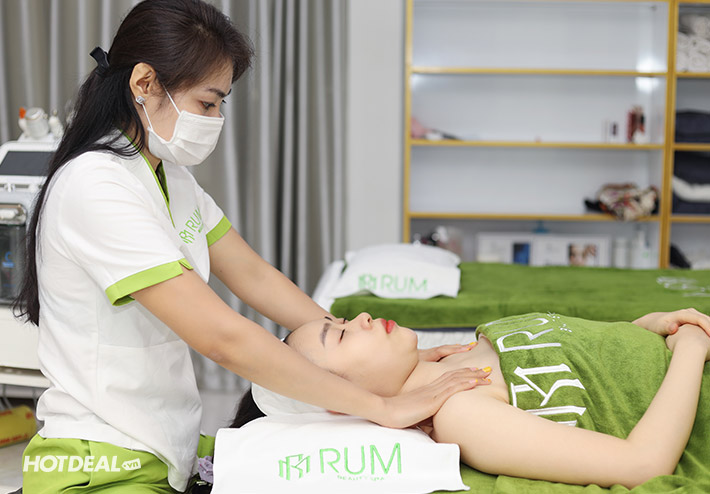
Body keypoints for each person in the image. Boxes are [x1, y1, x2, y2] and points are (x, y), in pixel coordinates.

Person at [14, 1, 484, 492]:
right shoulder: (95, 185)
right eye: (207, 103)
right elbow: (223, 337)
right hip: (99, 460)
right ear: (144, 83)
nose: (216, 118)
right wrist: (381, 404)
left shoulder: (169, 177)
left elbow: (255, 276)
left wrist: (374, 360)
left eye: (221, 104)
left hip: (164, 443)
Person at [232, 308, 710, 489]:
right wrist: (689, 348)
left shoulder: (466, 351)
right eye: (339, 336)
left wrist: (642, 327)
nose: (360, 318)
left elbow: (584, 360)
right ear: (342, 399)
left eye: (339, 320)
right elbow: (641, 464)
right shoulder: (462, 413)